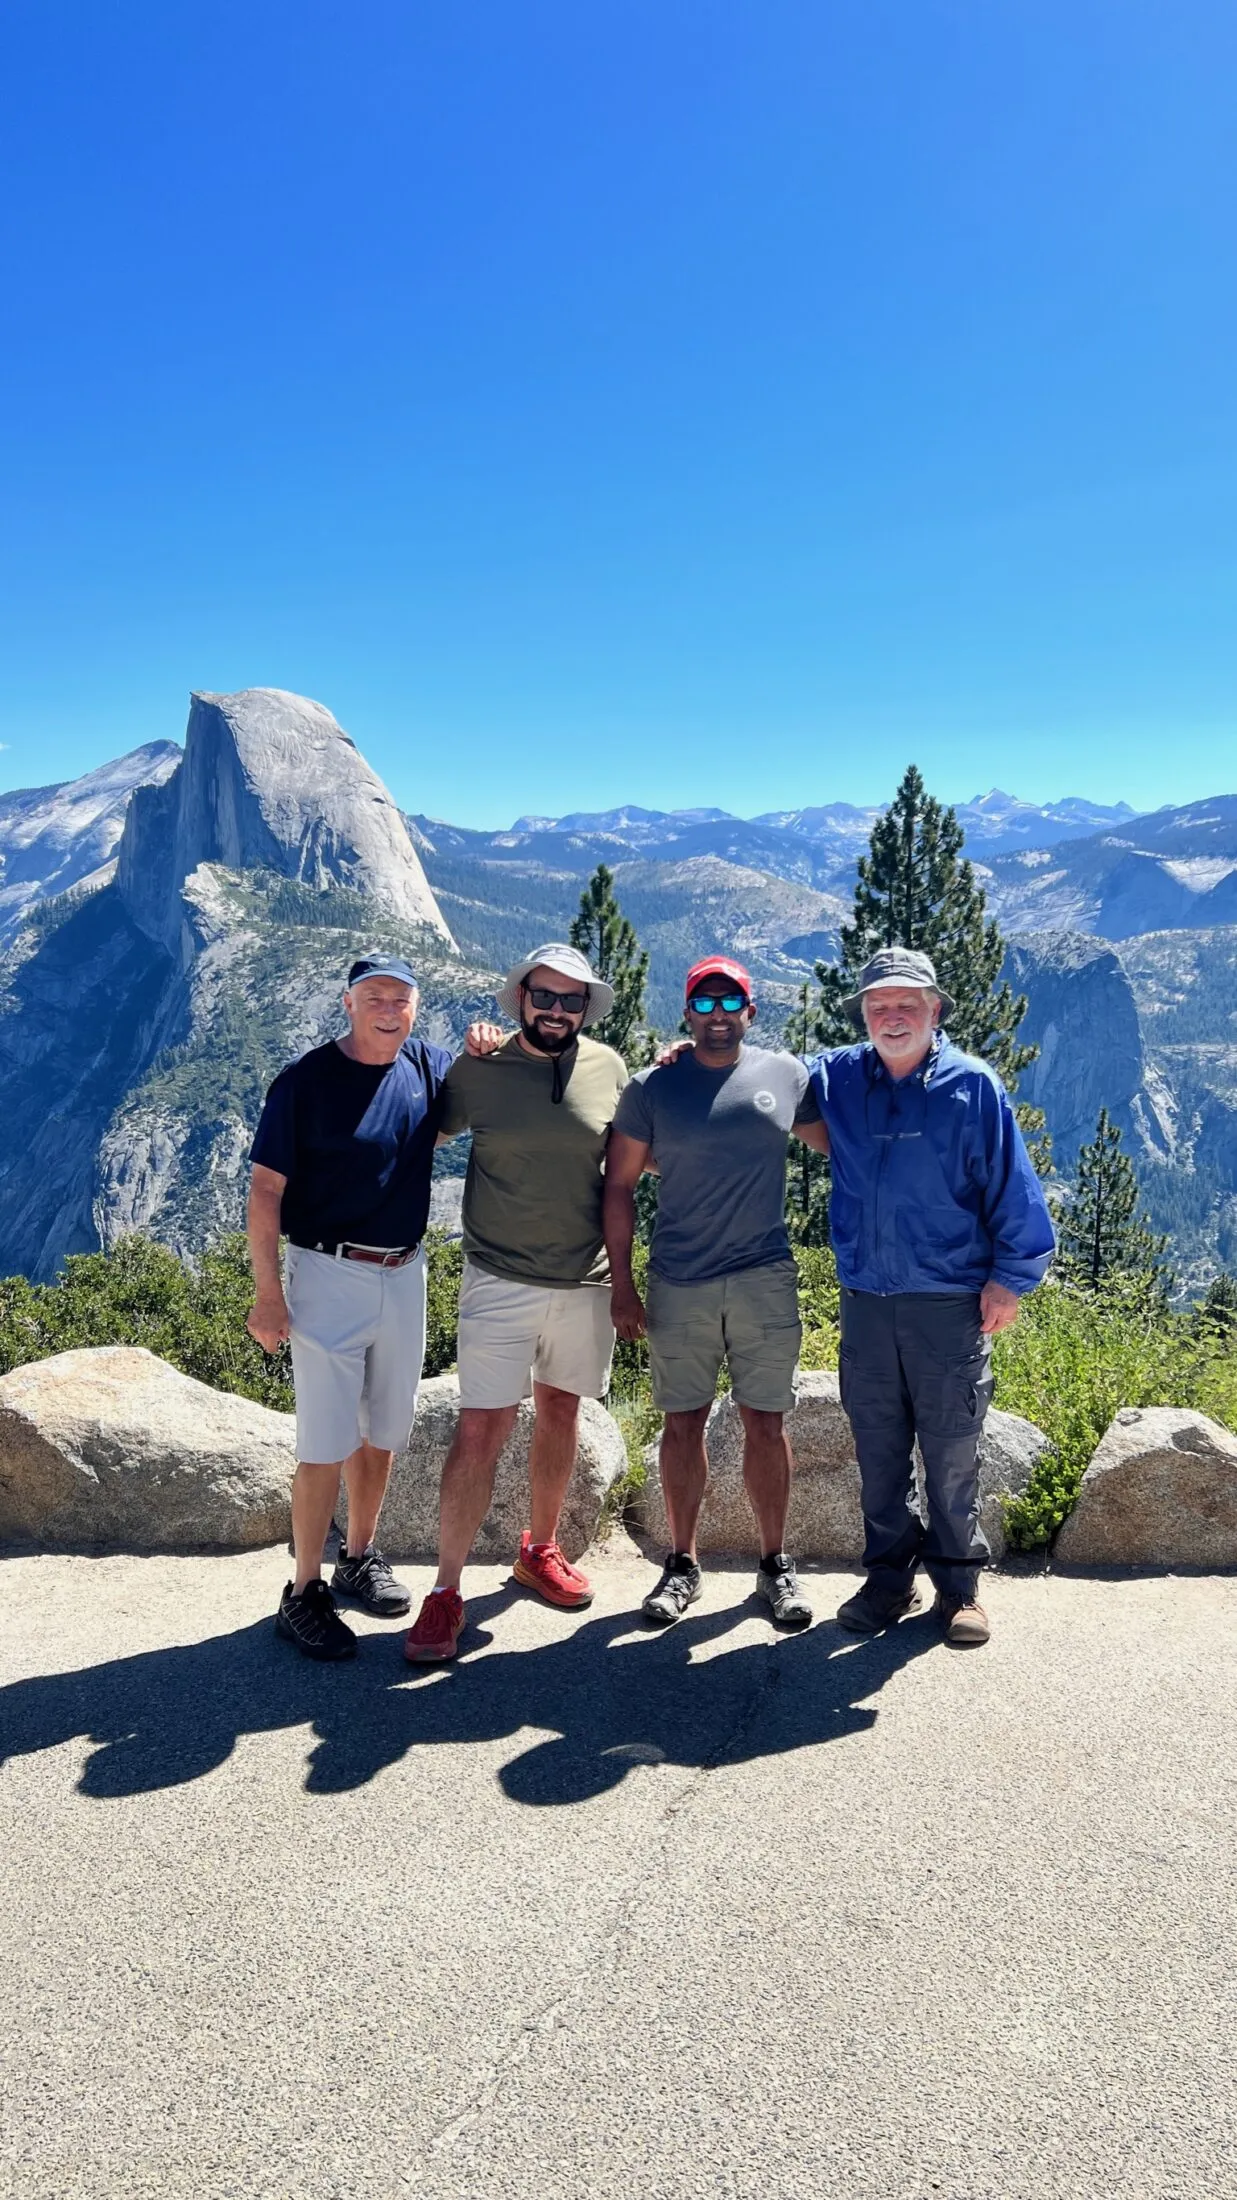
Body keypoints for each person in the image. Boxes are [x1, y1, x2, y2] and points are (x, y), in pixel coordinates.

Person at [808, 946, 1055, 1647]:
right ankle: (888, 1581)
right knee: (878, 1449)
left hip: (947, 1300)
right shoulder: (836, 1076)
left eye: (906, 1005)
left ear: (934, 1010)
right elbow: (756, 1081)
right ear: (862, 1014)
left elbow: (1012, 1185)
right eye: (878, 1005)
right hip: (866, 1299)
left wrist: (1011, 1276)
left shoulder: (970, 1086)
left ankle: (957, 1589)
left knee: (950, 1450)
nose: (892, 1017)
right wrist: (678, 1054)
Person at [402, 944, 629, 1663]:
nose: (556, 1009)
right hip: (498, 1277)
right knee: (481, 1429)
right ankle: (443, 1593)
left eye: (571, 1000)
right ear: (521, 998)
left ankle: (539, 1550)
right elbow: (414, 1134)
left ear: (583, 1008)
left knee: (559, 1413)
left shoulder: (609, 1067)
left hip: (583, 1280)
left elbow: (631, 1160)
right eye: (545, 996)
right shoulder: (482, 1066)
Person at [604, 955, 830, 1629]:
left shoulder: (785, 1074)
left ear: (750, 1012)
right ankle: (680, 1564)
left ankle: (773, 1565)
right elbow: (617, 1186)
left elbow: (841, 1148)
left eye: (729, 1003)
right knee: (683, 1422)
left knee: (766, 1420)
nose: (716, 1016)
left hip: (764, 1276)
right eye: (702, 1005)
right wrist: (622, 1286)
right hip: (679, 1280)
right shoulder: (652, 1088)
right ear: (686, 1015)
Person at [247, 955, 452, 1661]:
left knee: (383, 1430)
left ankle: (358, 1555)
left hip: (404, 1272)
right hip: (325, 1272)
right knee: (324, 1442)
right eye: (375, 997)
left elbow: (495, 1083)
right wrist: (268, 1294)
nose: (388, 1008)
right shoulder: (304, 1082)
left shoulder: (424, 1065)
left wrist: (492, 1044)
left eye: (400, 998)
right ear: (348, 1003)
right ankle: (302, 1592)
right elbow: (265, 1191)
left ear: (415, 1009)